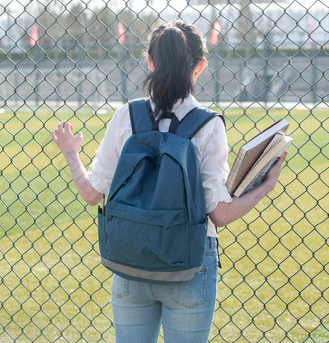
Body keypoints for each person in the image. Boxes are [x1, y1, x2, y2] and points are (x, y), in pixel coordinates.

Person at [52, 20, 287, 343]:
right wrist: (266, 185)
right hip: (186, 263)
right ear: (200, 66)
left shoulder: (126, 117)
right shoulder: (207, 126)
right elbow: (219, 214)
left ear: (150, 62)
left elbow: (92, 193)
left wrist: (70, 153)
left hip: (129, 259)